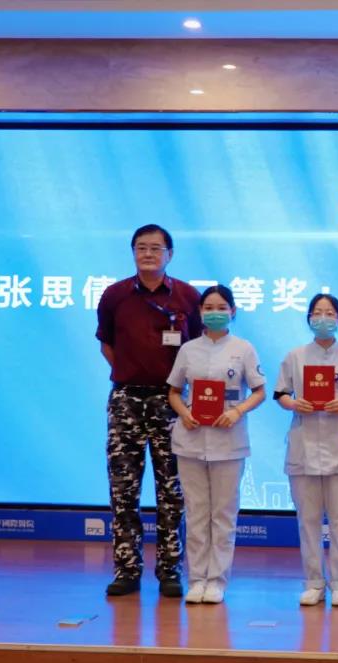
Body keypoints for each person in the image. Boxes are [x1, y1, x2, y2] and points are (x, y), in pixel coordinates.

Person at [96, 223, 201, 598]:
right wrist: (129, 371)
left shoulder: (187, 296)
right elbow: (107, 344)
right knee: (123, 490)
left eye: (156, 248)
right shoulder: (115, 295)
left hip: (170, 401)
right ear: (133, 252)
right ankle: (127, 569)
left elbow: (198, 349)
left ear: (170, 254)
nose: (148, 254)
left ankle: (170, 570)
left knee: (172, 490)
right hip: (126, 399)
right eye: (141, 247)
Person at [167, 284, 265, 604]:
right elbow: (174, 392)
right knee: (196, 513)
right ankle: (196, 578)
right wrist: (184, 413)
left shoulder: (244, 349)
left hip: (228, 441)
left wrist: (237, 411)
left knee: (223, 514)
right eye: (208, 308)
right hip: (191, 440)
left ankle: (217, 580)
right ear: (200, 312)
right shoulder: (188, 349)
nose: (215, 313)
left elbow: (259, 391)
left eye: (222, 307)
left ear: (233, 312)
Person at [275, 293, 338, 607]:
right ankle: (314, 582)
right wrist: (294, 403)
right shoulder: (295, 356)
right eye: (317, 312)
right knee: (308, 520)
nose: (323, 318)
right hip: (303, 445)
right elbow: (280, 393)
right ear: (308, 319)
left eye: (330, 313)